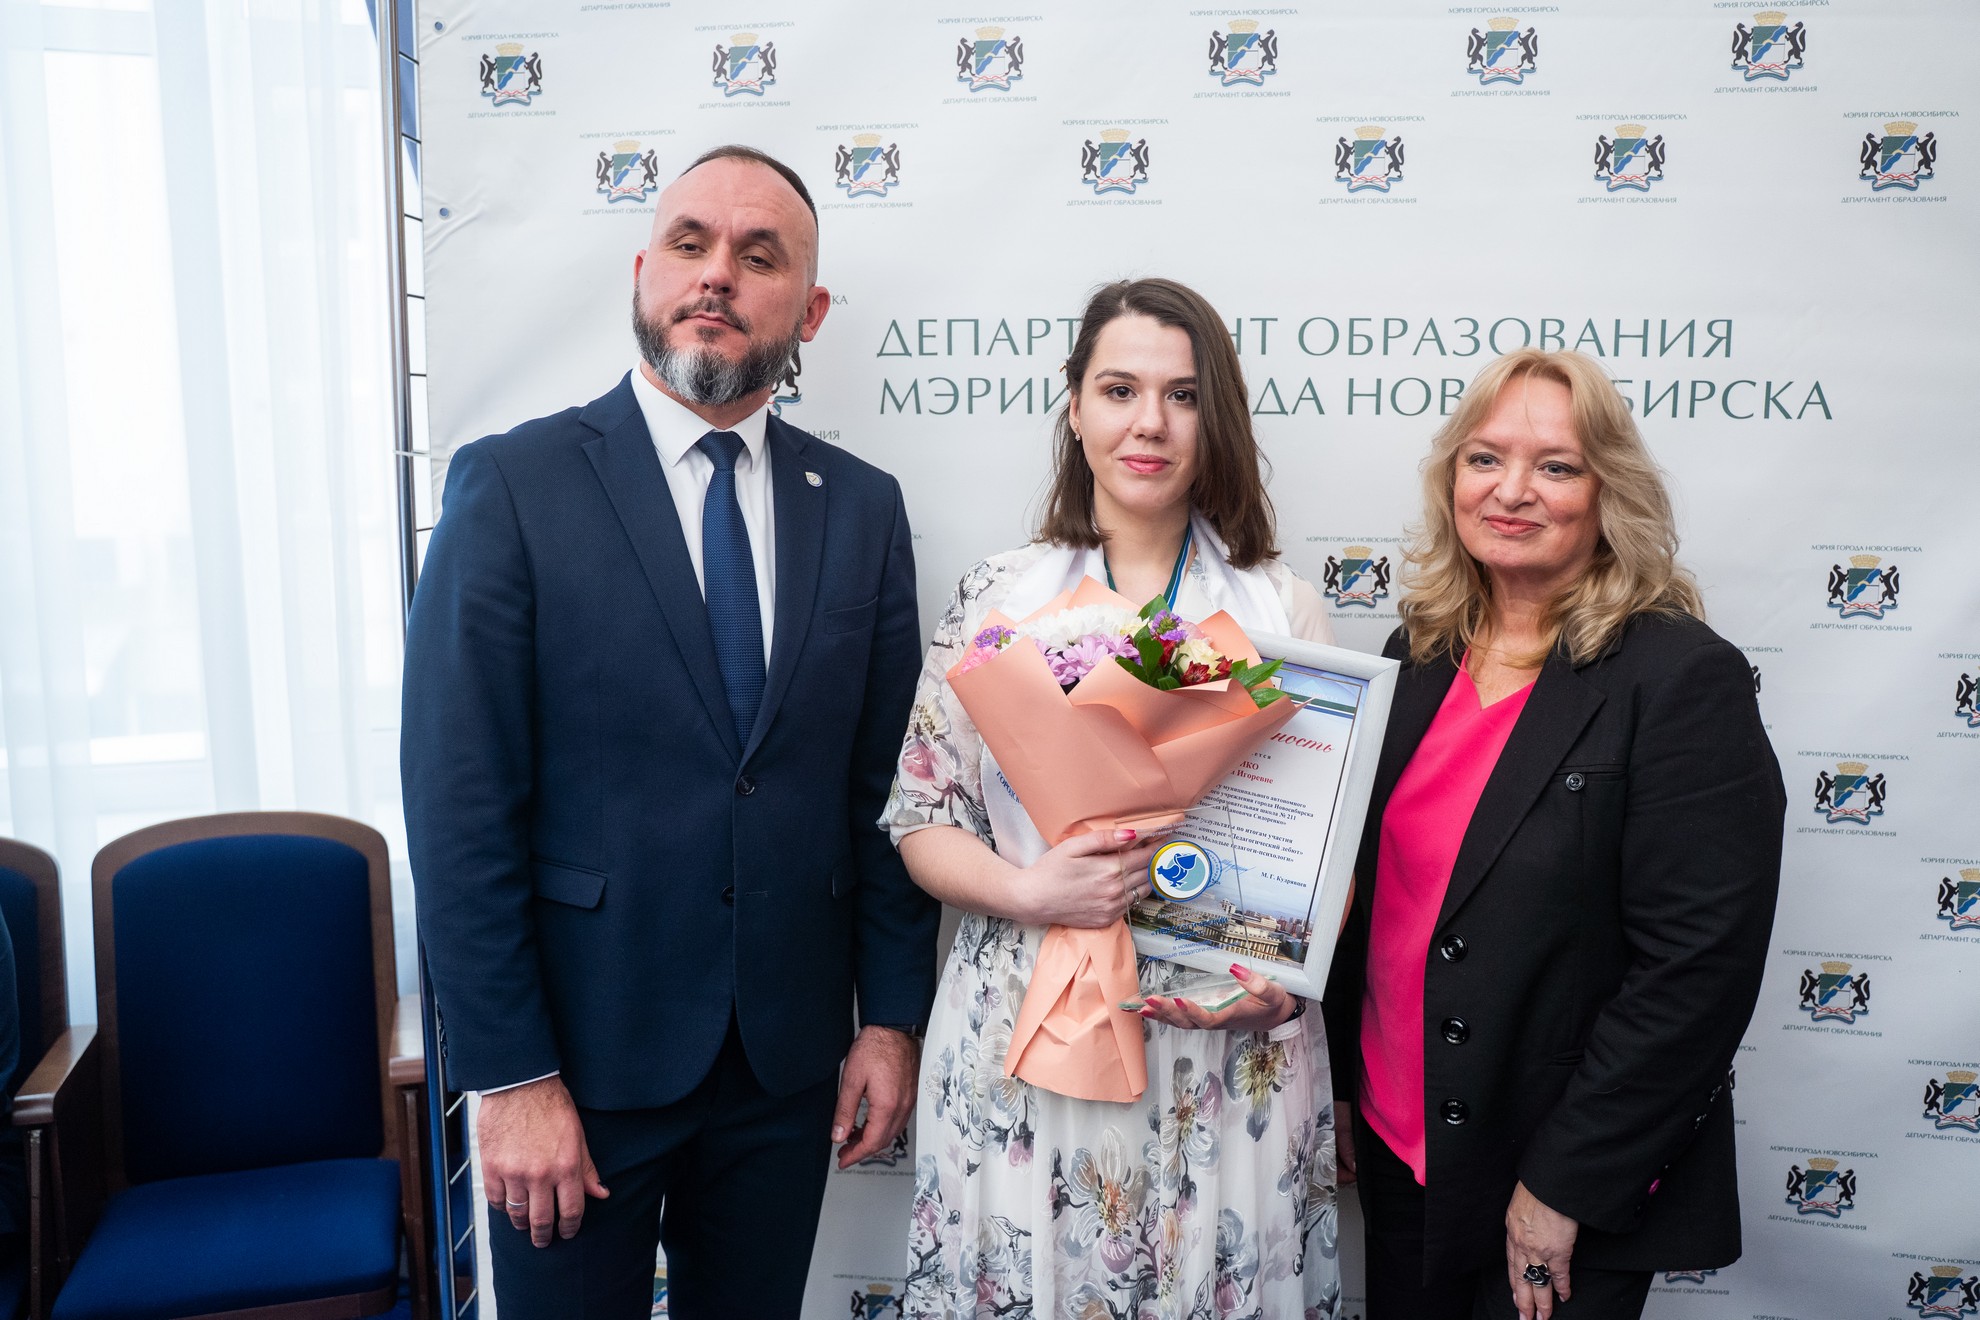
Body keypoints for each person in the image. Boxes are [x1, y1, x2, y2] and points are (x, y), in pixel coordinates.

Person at [403, 144, 938, 1320]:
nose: (718, 274)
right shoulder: (513, 487)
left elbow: (886, 793)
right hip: (577, 1071)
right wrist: (512, 1075)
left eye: (759, 256)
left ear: (810, 311)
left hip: (784, 1068)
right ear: (642, 273)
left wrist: (892, 1021)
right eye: (690, 244)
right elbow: (457, 810)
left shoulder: (861, 509)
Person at [886, 278, 1343, 1319]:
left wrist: (1287, 985)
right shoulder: (998, 597)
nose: (1150, 424)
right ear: (1075, 404)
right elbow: (921, 819)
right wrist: (1030, 890)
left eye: (1183, 396)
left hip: (1218, 1038)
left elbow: (1326, 853)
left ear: (1216, 417)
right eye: (1120, 389)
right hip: (1025, 1025)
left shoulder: (1281, 609)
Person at [1322, 348, 1784, 1320]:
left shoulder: (1678, 677)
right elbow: (1373, 899)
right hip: (1402, 1148)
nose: (1512, 490)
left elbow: (1696, 970)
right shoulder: (1417, 653)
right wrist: (1343, 1084)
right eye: (1485, 458)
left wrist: (1565, 1184)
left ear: (1609, 491)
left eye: (1557, 466)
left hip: (1552, 1179)